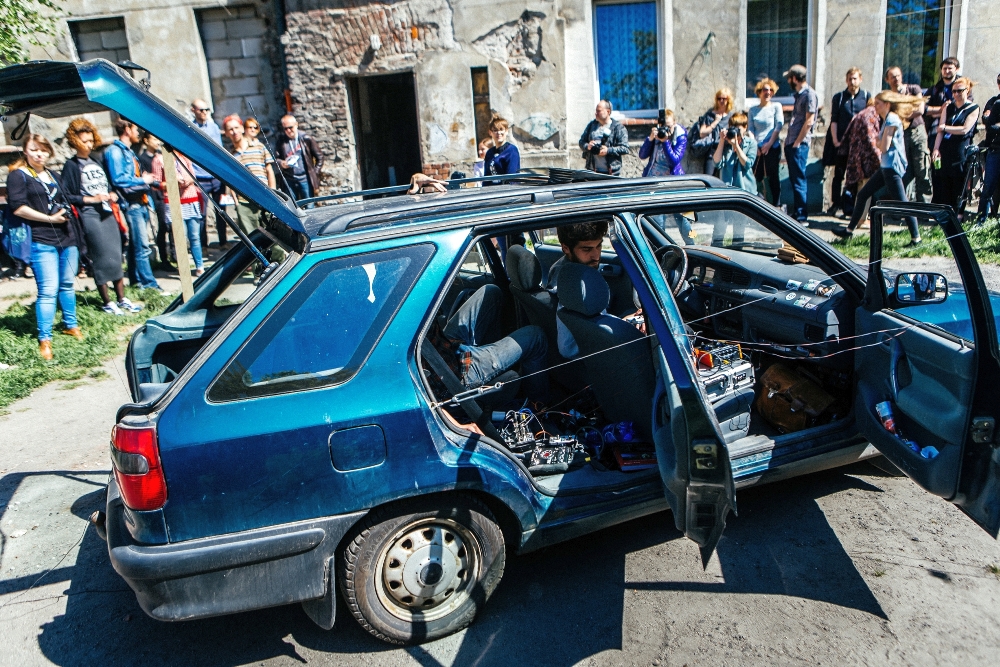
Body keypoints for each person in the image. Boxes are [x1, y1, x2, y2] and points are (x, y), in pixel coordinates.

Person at [6, 134, 84, 358]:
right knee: (48, 291)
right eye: (34, 150)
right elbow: (18, 208)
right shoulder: (18, 175)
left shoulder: (54, 175)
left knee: (67, 285)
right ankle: (45, 339)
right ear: (25, 151)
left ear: (49, 152)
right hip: (41, 240)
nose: (39, 154)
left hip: (67, 237)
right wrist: (49, 219)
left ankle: (71, 324)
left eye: (43, 150)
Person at [61, 119, 142, 315]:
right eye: (84, 141)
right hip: (89, 215)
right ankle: (107, 301)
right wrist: (91, 199)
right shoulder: (71, 165)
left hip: (107, 212)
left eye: (90, 140)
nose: (88, 145)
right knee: (100, 257)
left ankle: (122, 298)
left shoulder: (96, 160)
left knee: (115, 254)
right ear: (74, 141)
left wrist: (113, 194)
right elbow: (67, 194)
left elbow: (108, 185)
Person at [427, 284, 548, 398]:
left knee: (490, 292)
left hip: (444, 346)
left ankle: (491, 361)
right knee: (535, 337)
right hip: (454, 373)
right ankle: (539, 405)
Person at [834, 91, 923, 245]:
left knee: (903, 203)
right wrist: (879, 140)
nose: (874, 106)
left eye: (878, 103)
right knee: (863, 195)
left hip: (891, 167)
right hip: (886, 166)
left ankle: (916, 238)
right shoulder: (888, 118)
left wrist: (877, 140)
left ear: (887, 104)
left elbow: (884, 147)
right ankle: (848, 231)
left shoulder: (891, 120)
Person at [104, 117, 164, 293]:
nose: (138, 132)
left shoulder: (129, 151)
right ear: (128, 130)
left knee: (136, 245)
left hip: (141, 201)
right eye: (135, 129)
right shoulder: (115, 151)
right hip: (132, 204)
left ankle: (136, 280)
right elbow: (118, 179)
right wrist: (142, 179)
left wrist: (146, 179)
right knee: (142, 246)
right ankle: (149, 284)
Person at [546, 221, 608, 358]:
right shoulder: (571, 287)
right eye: (587, 249)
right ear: (566, 248)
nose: (596, 256)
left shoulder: (561, 267)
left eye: (599, 246)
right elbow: (568, 347)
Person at [931, 77, 980, 218]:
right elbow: (940, 130)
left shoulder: (973, 108)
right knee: (944, 179)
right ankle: (946, 212)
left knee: (959, 180)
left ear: (967, 90)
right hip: (946, 147)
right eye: (954, 91)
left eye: (960, 91)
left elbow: (965, 129)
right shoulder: (948, 106)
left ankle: (958, 213)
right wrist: (936, 148)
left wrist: (946, 127)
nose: (956, 94)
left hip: (961, 148)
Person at [151, 150, 204, 276]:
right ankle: (184, 268)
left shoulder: (184, 156)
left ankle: (199, 266)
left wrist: (188, 180)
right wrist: (172, 182)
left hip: (191, 198)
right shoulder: (159, 159)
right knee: (180, 237)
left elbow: (193, 175)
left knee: (195, 236)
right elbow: (156, 183)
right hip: (174, 200)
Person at [222, 113, 276, 237]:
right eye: (230, 129)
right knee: (253, 240)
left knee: (274, 238)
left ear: (241, 128)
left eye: (236, 128)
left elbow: (269, 170)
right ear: (226, 133)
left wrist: (273, 193)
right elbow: (231, 180)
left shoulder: (259, 146)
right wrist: (236, 203)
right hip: (244, 203)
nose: (234, 132)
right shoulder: (230, 155)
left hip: (265, 198)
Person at [827, 68, 872, 216]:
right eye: (850, 79)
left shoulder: (866, 96)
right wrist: (835, 140)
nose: (852, 82)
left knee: (856, 176)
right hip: (843, 144)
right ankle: (835, 204)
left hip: (859, 146)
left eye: (855, 79)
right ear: (846, 80)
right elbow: (834, 120)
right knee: (838, 175)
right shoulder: (839, 98)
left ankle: (852, 207)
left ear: (860, 79)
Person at [886, 66, 932, 204]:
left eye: (898, 75)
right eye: (892, 77)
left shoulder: (913, 89)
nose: (896, 79)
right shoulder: (889, 96)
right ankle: (903, 206)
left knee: (922, 169)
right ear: (887, 79)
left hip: (917, 131)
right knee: (903, 171)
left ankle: (923, 207)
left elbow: (920, 109)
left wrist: (900, 116)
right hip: (900, 135)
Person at [784, 64, 818, 224]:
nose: (788, 81)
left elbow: (809, 121)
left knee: (799, 179)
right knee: (794, 179)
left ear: (795, 79)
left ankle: (802, 216)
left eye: (790, 78)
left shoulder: (810, 95)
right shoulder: (799, 95)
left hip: (799, 144)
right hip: (792, 143)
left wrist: (797, 143)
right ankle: (797, 214)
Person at [190, 99, 226, 247]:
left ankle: (223, 242)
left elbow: (219, 150)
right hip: (200, 177)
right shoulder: (190, 127)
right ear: (193, 110)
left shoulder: (213, 127)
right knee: (202, 214)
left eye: (207, 109)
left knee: (221, 212)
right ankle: (204, 245)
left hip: (215, 177)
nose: (204, 113)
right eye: (201, 110)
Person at [135, 131, 172, 268]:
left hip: (166, 194)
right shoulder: (143, 158)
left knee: (171, 225)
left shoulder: (160, 155)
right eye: (153, 139)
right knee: (162, 226)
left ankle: (173, 253)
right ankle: (164, 259)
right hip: (156, 195)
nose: (157, 141)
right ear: (146, 141)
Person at [842, 101, 883, 214]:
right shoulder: (871, 115)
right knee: (866, 188)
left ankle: (859, 217)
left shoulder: (861, 114)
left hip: (856, 156)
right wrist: (879, 159)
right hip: (867, 158)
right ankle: (861, 218)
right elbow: (871, 139)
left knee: (861, 187)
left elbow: (847, 134)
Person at [748, 78, 783, 204]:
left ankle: (775, 205)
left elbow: (778, 126)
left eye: (770, 90)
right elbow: (750, 129)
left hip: (772, 148)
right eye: (765, 90)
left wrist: (769, 144)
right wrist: (755, 146)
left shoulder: (776, 107)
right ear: (759, 92)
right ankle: (760, 204)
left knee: (772, 176)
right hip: (757, 149)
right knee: (757, 176)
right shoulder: (753, 110)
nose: (768, 92)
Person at [275, 114, 323, 204]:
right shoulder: (281, 141)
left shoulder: (306, 138)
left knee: (309, 206)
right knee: (292, 206)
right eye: (285, 129)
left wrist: (314, 173)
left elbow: (320, 157)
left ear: (296, 125)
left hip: (305, 179)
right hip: (290, 180)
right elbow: (276, 158)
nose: (288, 131)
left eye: (290, 127)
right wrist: (281, 163)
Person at [578, 100, 629, 175]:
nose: (596, 113)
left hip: (612, 173)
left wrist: (608, 150)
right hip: (592, 172)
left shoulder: (618, 128)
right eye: (596, 111)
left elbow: (625, 148)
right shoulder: (591, 126)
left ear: (608, 111)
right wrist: (587, 146)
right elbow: (581, 142)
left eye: (599, 111)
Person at [975, 73, 1000, 222]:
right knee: (988, 187)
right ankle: (981, 220)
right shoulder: (996, 103)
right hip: (996, 150)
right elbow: (989, 126)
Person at [713, 112, 758, 195]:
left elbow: (747, 164)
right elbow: (717, 163)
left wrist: (736, 146)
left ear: (745, 128)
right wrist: (722, 141)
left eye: (738, 129)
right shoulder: (726, 144)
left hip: (746, 190)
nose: (735, 132)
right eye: (733, 128)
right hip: (727, 190)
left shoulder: (751, 143)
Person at [692, 89, 734, 175]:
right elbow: (702, 133)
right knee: (708, 178)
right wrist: (715, 122)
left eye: (724, 98)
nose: (721, 101)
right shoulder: (710, 115)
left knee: (725, 180)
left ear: (728, 100)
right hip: (712, 151)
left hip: (726, 151)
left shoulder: (731, 116)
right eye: (719, 98)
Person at [639, 109, 686, 177]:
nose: (665, 130)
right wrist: (650, 139)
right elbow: (642, 156)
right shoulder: (657, 134)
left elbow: (673, 161)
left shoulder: (680, 137)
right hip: (652, 176)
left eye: (668, 127)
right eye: (663, 127)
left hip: (671, 179)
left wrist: (665, 142)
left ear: (674, 123)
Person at [483, 117, 520, 181]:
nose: (498, 133)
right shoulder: (489, 152)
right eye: (495, 130)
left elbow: (511, 178)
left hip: (507, 189)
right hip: (491, 190)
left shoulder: (511, 150)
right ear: (490, 132)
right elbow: (486, 178)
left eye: (501, 129)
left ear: (506, 131)